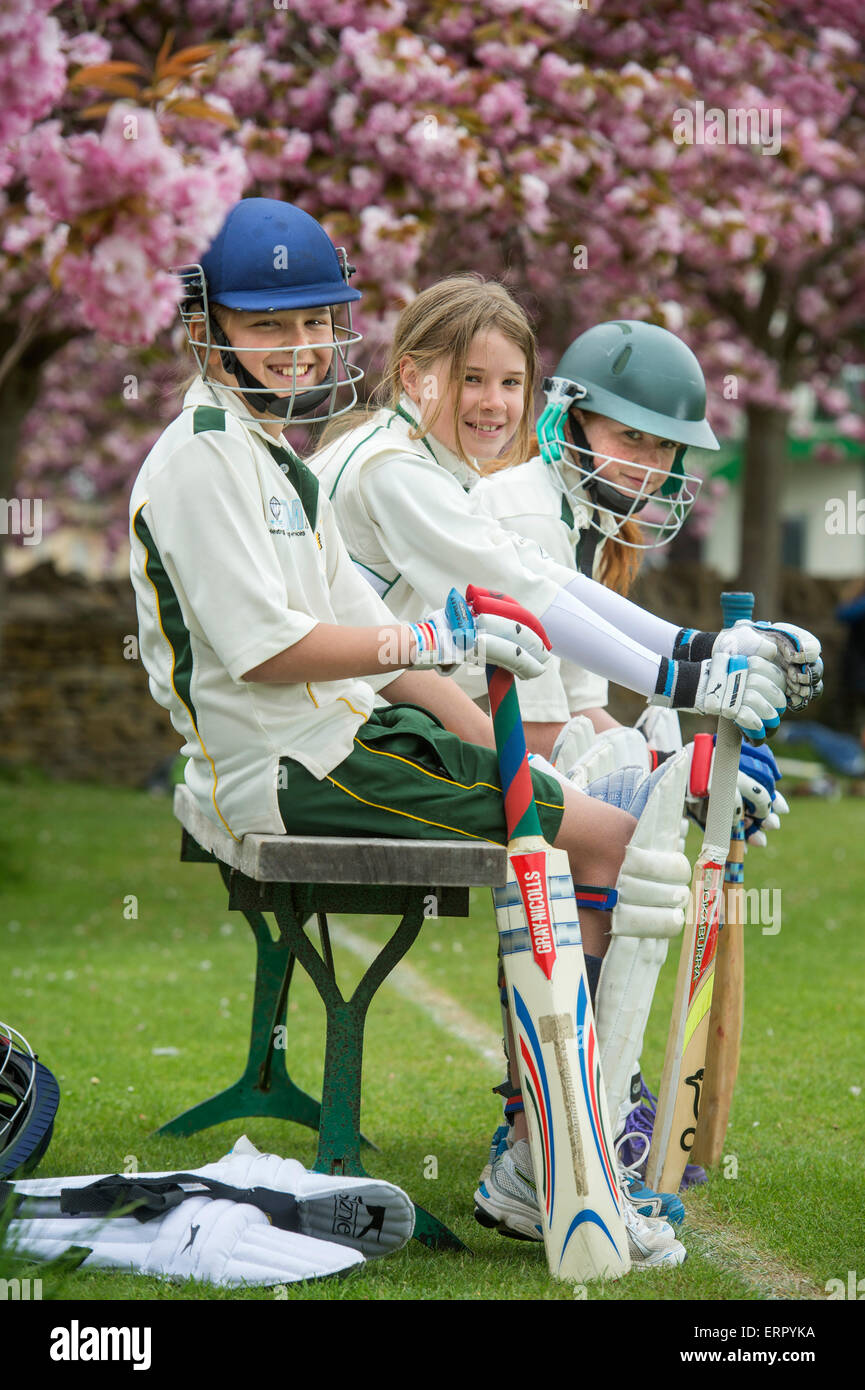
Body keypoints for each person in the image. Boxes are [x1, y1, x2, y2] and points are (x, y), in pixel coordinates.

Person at [128, 199, 700, 1270]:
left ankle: (560, 1155)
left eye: (314, 321)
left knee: (604, 832)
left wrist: (488, 729)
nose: (300, 345)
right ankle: (556, 1168)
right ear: (207, 328)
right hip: (298, 773)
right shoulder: (206, 457)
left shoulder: (274, 453)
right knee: (615, 845)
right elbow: (271, 649)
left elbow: (402, 655)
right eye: (269, 325)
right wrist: (432, 633)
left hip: (350, 741)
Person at [310, 278, 821, 1233]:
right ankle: (555, 1131)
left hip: (385, 714)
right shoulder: (422, 475)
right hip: (351, 738)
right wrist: (687, 688)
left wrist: (691, 669)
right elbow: (527, 632)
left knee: (627, 798)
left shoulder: (449, 472)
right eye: (631, 438)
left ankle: (564, 1123)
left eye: (509, 379)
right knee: (622, 822)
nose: (648, 464)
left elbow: (539, 608)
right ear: (414, 374)